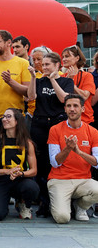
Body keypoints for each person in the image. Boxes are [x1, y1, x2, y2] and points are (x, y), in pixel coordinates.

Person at [27, 51, 74, 217]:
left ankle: (60, 200)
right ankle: (43, 202)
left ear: (57, 65)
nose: (44, 67)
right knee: (41, 164)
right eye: (43, 64)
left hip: (57, 123)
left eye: (48, 64)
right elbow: (30, 96)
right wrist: (33, 77)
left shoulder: (66, 81)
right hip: (39, 123)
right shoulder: (39, 81)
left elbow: (64, 99)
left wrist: (53, 79)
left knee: (57, 161)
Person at [47, 94, 98, 223]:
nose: (72, 109)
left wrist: (79, 152)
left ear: (82, 109)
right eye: (69, 106)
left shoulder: (93, 132)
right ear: (64, 109)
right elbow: (54, 162)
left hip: (83, 180)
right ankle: (60, 203)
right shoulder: (55, 129)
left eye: (76, 106)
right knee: (62, 218)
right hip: (59, 179)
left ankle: (80, 207)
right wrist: (67, 149)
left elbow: (97, 163)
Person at [0, 108, 39, 220]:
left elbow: (34, 170)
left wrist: (21, 174)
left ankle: (23, 203)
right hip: (0, 180)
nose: (4, 119)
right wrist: (7, 171)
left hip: (20, 180)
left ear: (17, 121)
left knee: (32, 188)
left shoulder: (27, 143)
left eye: (8, 116)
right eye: (3, 117)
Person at [0, 30, 31, 136]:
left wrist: (11, 82)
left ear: (8, 43)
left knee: (15, 150)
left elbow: (28, 93)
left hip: (15, 117)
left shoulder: (23, 63)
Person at [61, 45, 95, 125]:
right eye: (63, 57)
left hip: (85, 121)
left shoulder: (87, 75)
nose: (64, 59)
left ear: (77, 58)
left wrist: (70, 82)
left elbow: (84, 97)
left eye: (67, 56)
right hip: (65, 122)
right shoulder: (61, 77)